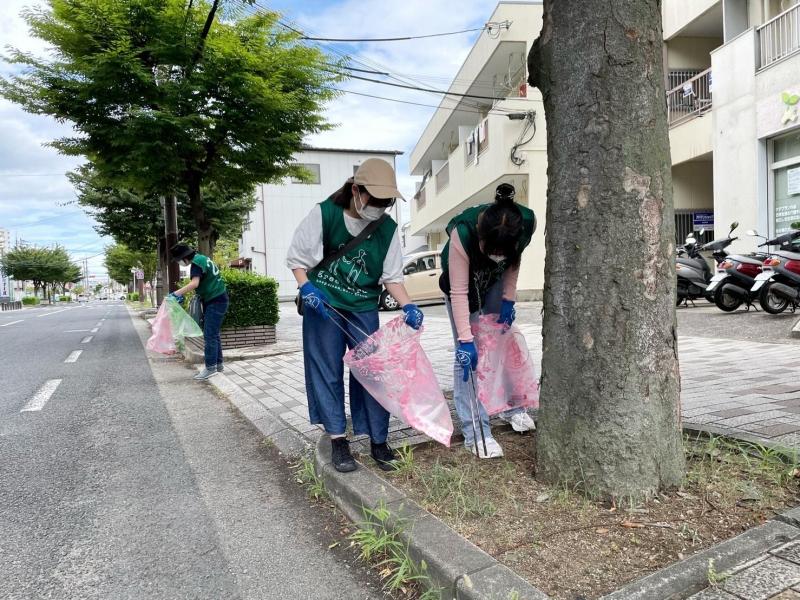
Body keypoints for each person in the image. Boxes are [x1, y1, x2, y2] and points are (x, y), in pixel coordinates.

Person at [287, 159, 424, 473]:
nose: (379, 206)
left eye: (385, 202)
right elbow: (297, 258)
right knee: (326, 370)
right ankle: (338, 440)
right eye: (374, 199)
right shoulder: (325, 214)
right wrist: (306, 286)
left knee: (373, 371)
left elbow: (392, 278)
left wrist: (409, 306)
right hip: (323, 302)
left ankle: (378, 439)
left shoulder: (387, 229)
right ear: (355, 190)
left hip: (363, 304)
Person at [440, 183, 536, 458]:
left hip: (494, 282)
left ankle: (512, 407)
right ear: (482, 237)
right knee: (468, 358)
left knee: (503, 344)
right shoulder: (464, 232)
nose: (497, 255)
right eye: (491, 249)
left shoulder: (524, 223)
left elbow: (513, 263)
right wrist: (465, 340)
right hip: (463, 285)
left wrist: (508, 299)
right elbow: (458, 292)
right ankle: (476, 431)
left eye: (502, 251)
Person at [169, 243, 229, 381]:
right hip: (218, 298)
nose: (179, 263)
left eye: (178, 260)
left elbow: (194, 283)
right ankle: (218, 365)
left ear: (184, 258)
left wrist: (175, 294)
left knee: (210, 335)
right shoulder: (202, 258)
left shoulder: (196, 263)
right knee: (214, 334)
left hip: (215, 300)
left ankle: (210, 368)